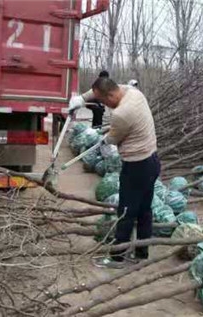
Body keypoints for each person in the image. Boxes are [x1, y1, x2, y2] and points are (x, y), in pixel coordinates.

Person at [68, 77, 159, 269]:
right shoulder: (133, 92)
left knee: (125, 212)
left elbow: (113, 138)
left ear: (110, 95)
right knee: (144, 209)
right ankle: (142, 251)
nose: (103, 105)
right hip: (152, 161)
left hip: (136, 166)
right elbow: (100, 89)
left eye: (103, 102)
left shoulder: (121, 114)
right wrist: (81, 99)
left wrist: (103, 140)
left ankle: (117, 257)